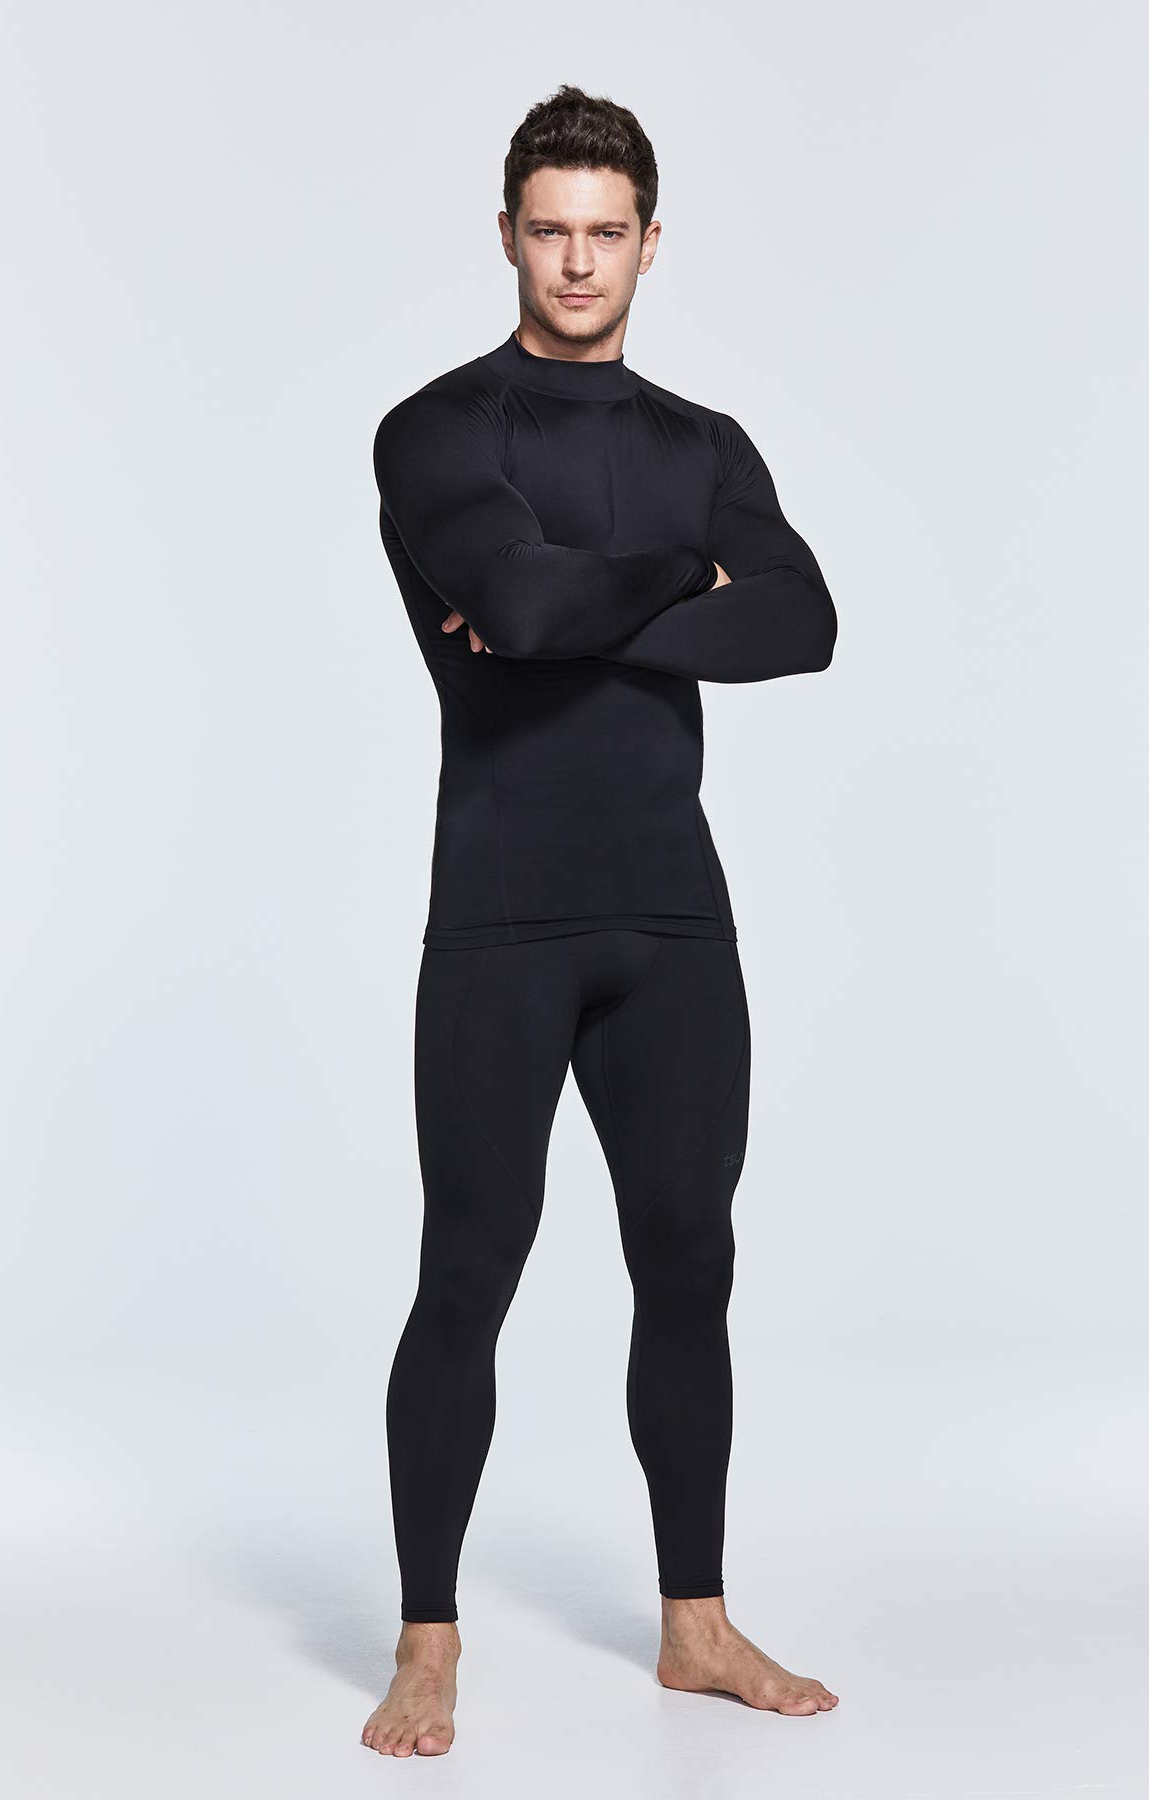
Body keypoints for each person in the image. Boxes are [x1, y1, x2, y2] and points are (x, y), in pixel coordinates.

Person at [361, 83, 840, 1758]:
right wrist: (681, 582)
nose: (577, 262)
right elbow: (517, 591)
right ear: (508, 235)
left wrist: (576, 608)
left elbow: (803, 623)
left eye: (606, 232)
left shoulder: (702, 445)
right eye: (550, 231)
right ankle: (427, 1639)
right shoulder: (439, 430)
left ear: (648, 241)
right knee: (470, 1266)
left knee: (690, 1262)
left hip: (672, 919)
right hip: (503, 914)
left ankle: (693, 1624)